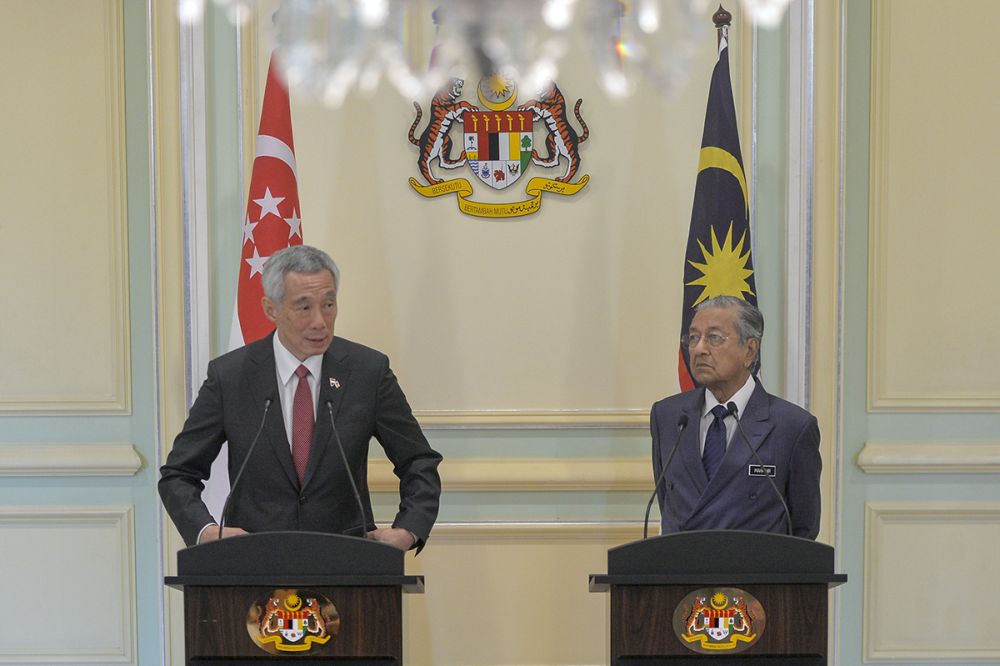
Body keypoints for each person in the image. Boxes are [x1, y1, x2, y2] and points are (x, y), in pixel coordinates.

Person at [159, 245, 442, 552]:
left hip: (348, 563)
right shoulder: (231, 377)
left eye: (329, 304)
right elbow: (179, 474)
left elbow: (418, 461)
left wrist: (408, 529)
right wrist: (206, 531)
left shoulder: (367, 372)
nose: (320, 321)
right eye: (304, 307)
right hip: (253, 562)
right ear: (271, 309)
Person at [650, 296, 821, 539]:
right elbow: (668, 502)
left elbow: (804, 528)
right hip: (682, 572)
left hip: (755, 574)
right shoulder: (667, 416)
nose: (699, 349)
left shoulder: (792, 426)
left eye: (714, 338)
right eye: (693, 337)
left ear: (750, 350)